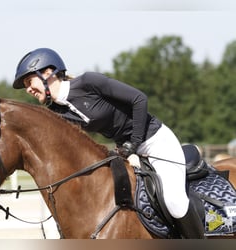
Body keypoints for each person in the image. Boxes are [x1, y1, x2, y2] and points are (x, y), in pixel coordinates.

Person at [12, 48, 205, 239]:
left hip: (155, 141)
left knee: (174, 202)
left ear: (48, 72)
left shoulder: (89, 82)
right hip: (126, 151)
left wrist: (135, 144)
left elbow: (139, 100)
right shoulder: (58, 112)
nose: (28, 89)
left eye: (29, 82)